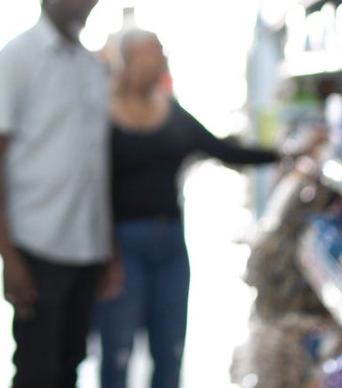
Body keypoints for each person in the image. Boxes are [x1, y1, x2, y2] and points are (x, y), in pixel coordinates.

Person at [91, 28, 280, 388]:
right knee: (117, 350)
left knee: (170, 349)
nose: (159, 60)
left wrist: (284, 153)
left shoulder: (171, 112)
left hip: (171, 246)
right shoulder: (100, 115)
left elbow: (224, 151)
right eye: (150, 53)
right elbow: (91, 189)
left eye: (160, 53)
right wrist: (106, 254)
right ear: (126, 61)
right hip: (122, 246)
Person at [0, 0, 114, 388]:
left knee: (72, 364)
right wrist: (7, 254)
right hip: (37, 249)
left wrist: (108, 251)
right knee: (37, 371)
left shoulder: (89, 66)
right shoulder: (17, 59)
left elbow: (98, 167)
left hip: (86, 249)